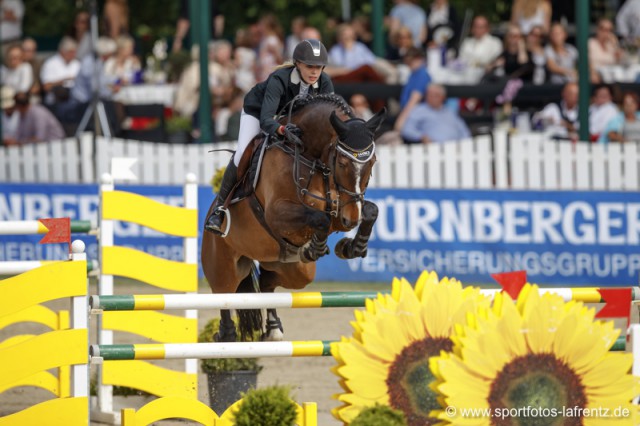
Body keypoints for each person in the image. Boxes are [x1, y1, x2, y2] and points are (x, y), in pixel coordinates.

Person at [204, 39, 334, 235]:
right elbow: (266, 120)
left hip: (292, 119)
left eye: (319, 67)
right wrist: (282, 131)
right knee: (242, 153)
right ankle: (219, 209)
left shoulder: (324, 82)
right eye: (310, 66)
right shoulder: (279, 79)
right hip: (258, 113)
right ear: (298, 64)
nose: (315, 71)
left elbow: (325, 118)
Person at [400, 83, 470, 144]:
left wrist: (463, 143)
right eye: (430, 95)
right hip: (433, 149)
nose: (432, 98)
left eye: (436, 95)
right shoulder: (418, 111)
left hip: (456, 148)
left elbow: (464, 131)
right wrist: (421, 136)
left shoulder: (450, 111)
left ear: (442, 97)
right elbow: (407, 130)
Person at [393, 47, 432, 131]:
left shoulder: (422, 74)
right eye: (407, 62)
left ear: (419, 59)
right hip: (411, 115)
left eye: (410, 61)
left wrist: (401, 120)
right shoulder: (413, 74)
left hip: (415, 118)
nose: (408, 64)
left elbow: (414, 99)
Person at [40, 36, 80, 107]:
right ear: (62, 51)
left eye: (74, 52)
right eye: (71, 52)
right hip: (55, 102)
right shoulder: (50, 64)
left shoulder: (77, 64)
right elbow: (46, 87)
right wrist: (63, 80)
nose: (73, 55)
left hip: (75, 101)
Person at [588, 18, 623, 84]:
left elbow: (620, 62)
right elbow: (587, 62)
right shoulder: (590, 43)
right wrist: (593, 73)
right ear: (597, 29)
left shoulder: (611, 45)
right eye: (603, 29)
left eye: (609, 30)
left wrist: (616, 45)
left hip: (612, 76)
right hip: (596, 75)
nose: (606, 32)